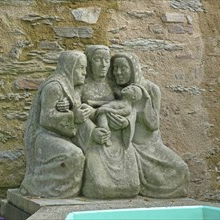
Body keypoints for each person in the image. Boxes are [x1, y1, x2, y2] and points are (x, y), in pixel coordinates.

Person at [19, 51, 108, 198]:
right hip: (43, 136)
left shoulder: (73, 88)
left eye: (85, 68)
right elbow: (46, 119)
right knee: (74, 155)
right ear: (70, 67)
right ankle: (37, 187)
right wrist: (73, 116)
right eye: (81, 68)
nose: (84, 73)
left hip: (62, 135)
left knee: (87, 153)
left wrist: (93, 131)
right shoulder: (54, 87)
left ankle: (67, 192)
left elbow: (80, 117)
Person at [110, 53, 190, 198]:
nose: (118, 72)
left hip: (152, 146)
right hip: (130, 146)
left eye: (123, 68)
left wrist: (140, 103)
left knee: (181, 168)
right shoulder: (115, 90)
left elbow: (153, 124)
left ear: (133, 69)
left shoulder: (151, 89)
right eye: (115, 68)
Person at [79, 46, 140, 199]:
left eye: (106, 60)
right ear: (89, 62)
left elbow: (129, 106)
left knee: (132, 185)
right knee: (100, 185)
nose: (103, 64)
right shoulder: (81, 85)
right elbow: (77, 113)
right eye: (98, 60)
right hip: (96, 138)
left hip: (119, 138)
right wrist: (93, 130)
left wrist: (126, 122)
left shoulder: (112, 85)